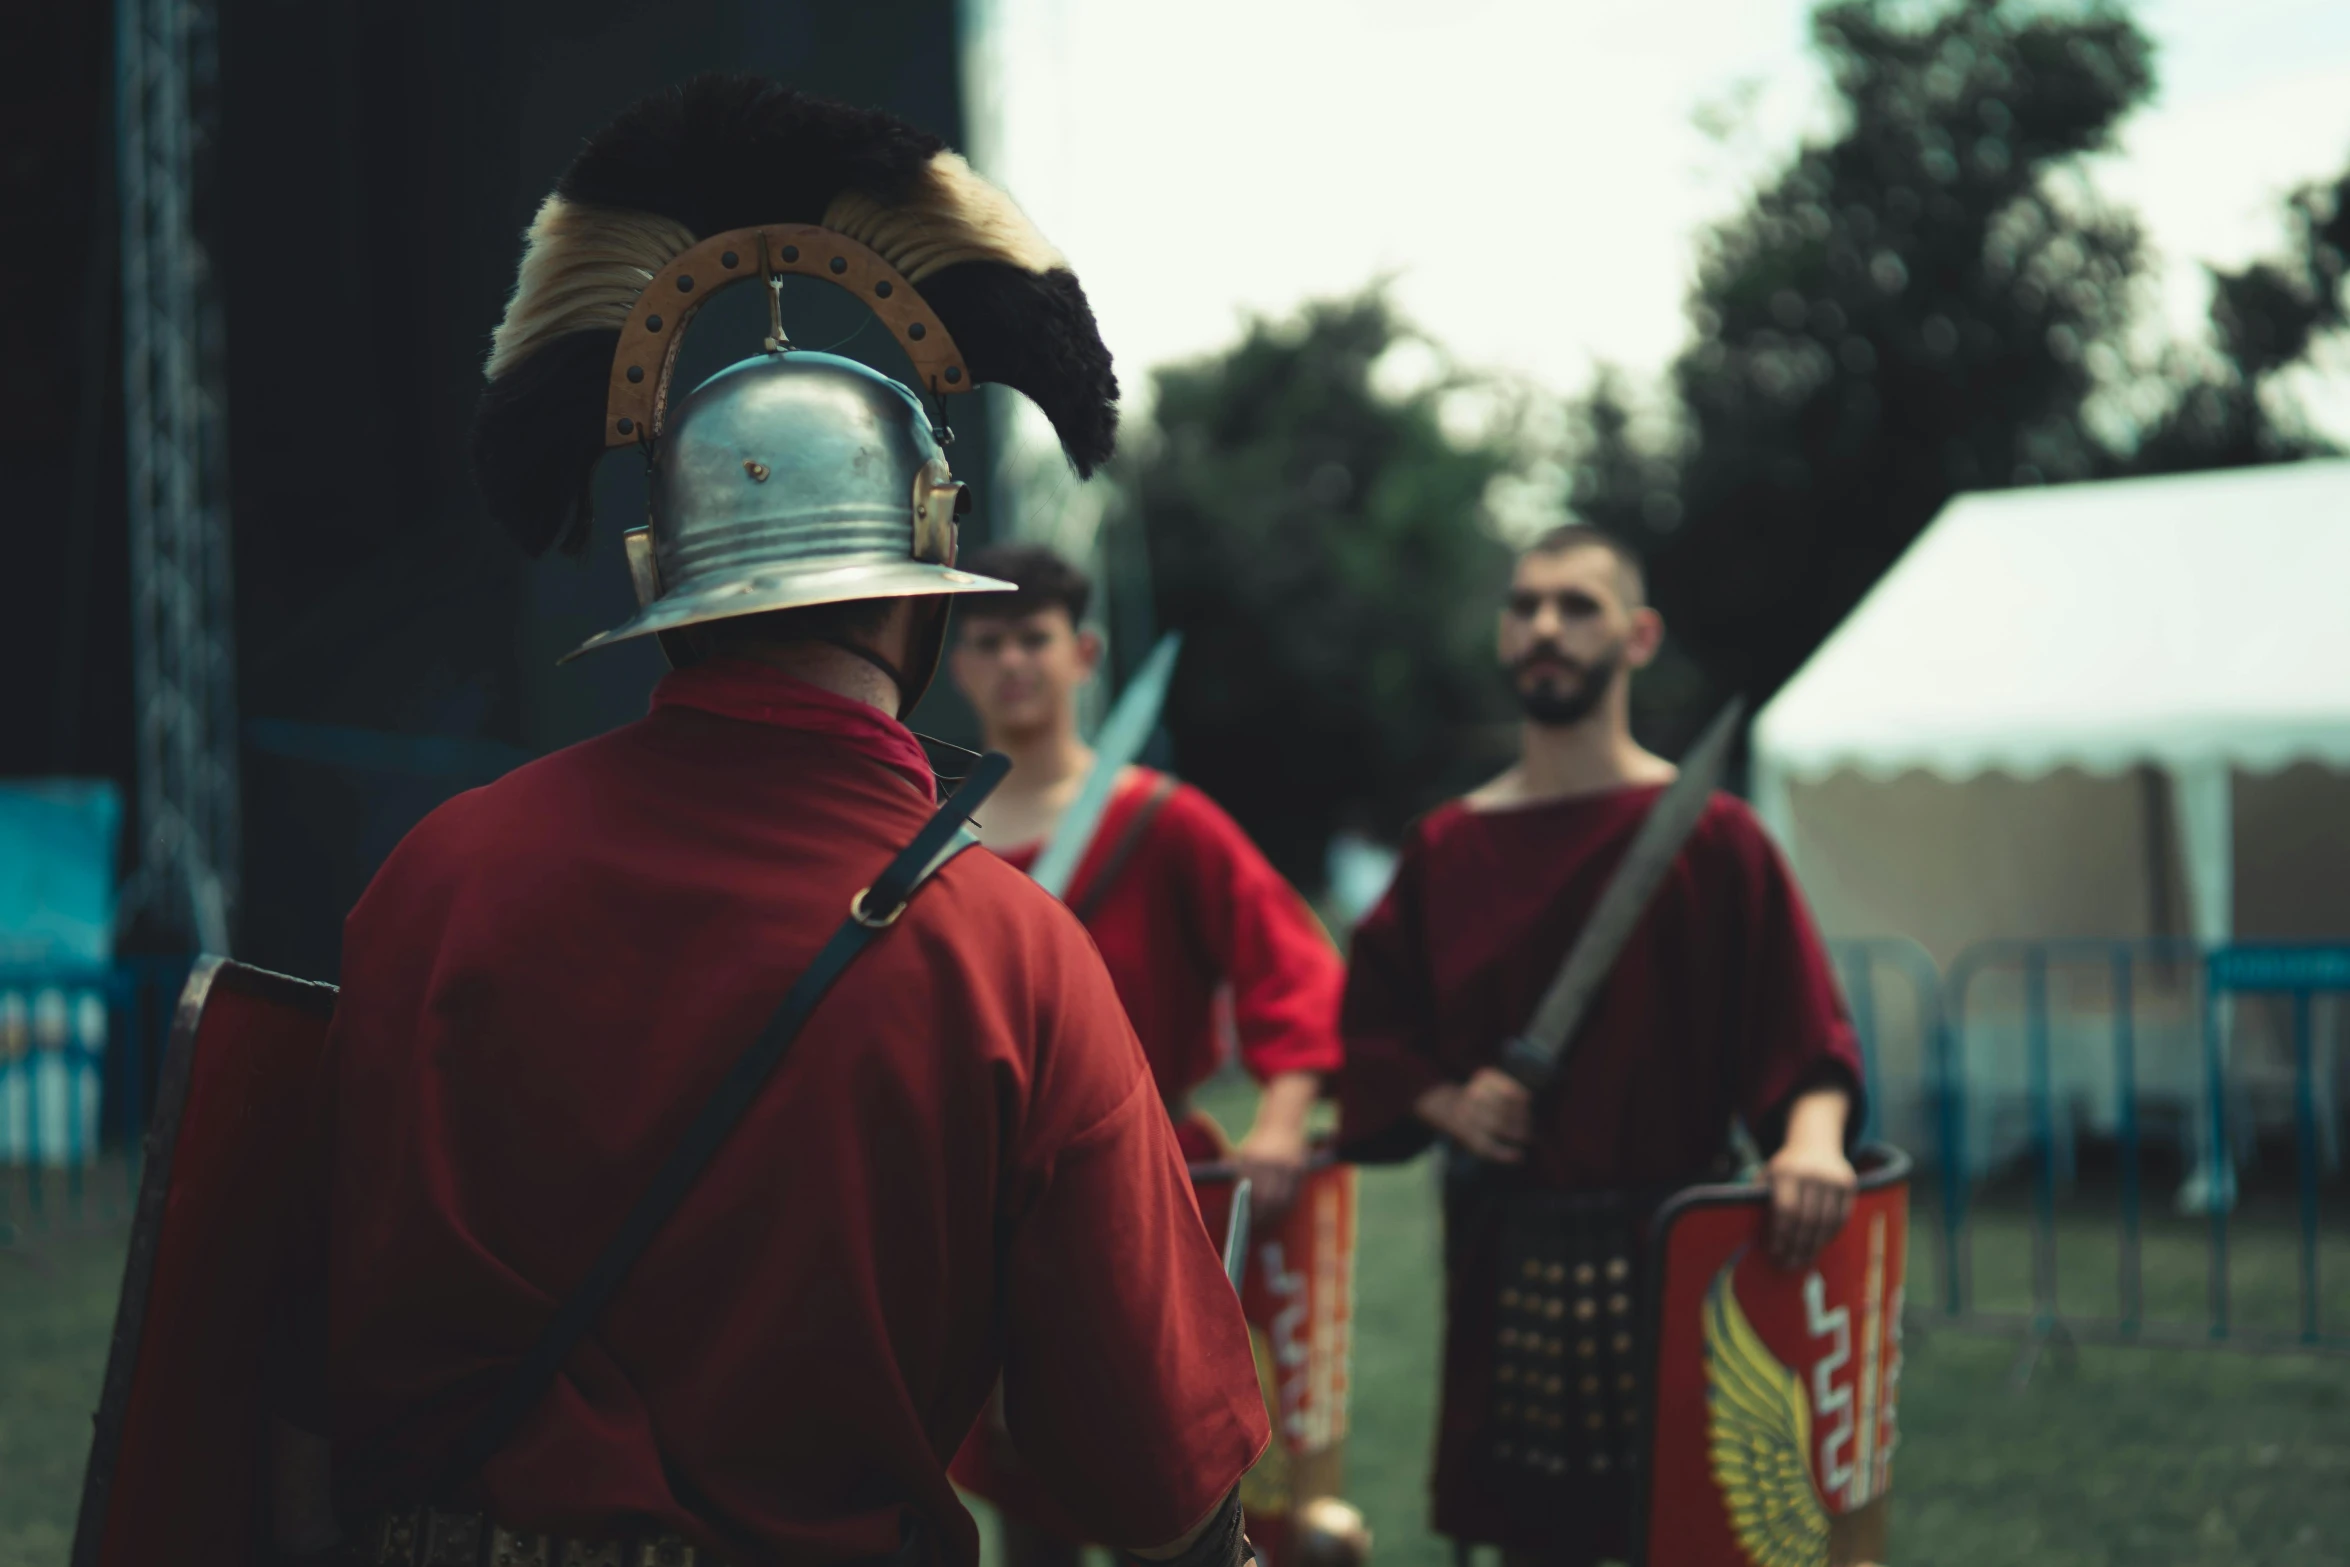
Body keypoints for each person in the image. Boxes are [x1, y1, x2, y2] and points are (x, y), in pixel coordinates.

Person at [265, 77, 1266, 1567]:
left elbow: (280, 1341)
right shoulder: (1011, 954)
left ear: (658, 572)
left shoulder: (437, 877)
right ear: (925, 560)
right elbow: (1162, 1481)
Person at [1336, 524, 1864, 1567]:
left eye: (1577, 606)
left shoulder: (1716, 840)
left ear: (1638, 634)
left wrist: (1811, 1143)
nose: (1545, 627)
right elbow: (1369, 1034)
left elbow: (1801, 1031)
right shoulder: (1449, 849)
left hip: (1680, 1264)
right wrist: (1449, 1103)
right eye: (1525, 605)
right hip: (1508, 1277)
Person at [941, 544, 1347, 1567]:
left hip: (1150, 1200)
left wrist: (1285, 1117)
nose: (1012, 664)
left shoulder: (1163, 822)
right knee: (1029, 1520)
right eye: (987, 642)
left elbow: (1290, 966)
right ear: (957, 666)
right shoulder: (929, 844)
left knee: (1170, 1512)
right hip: (990, 1220)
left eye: (1033, 638)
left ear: (1083, 652)